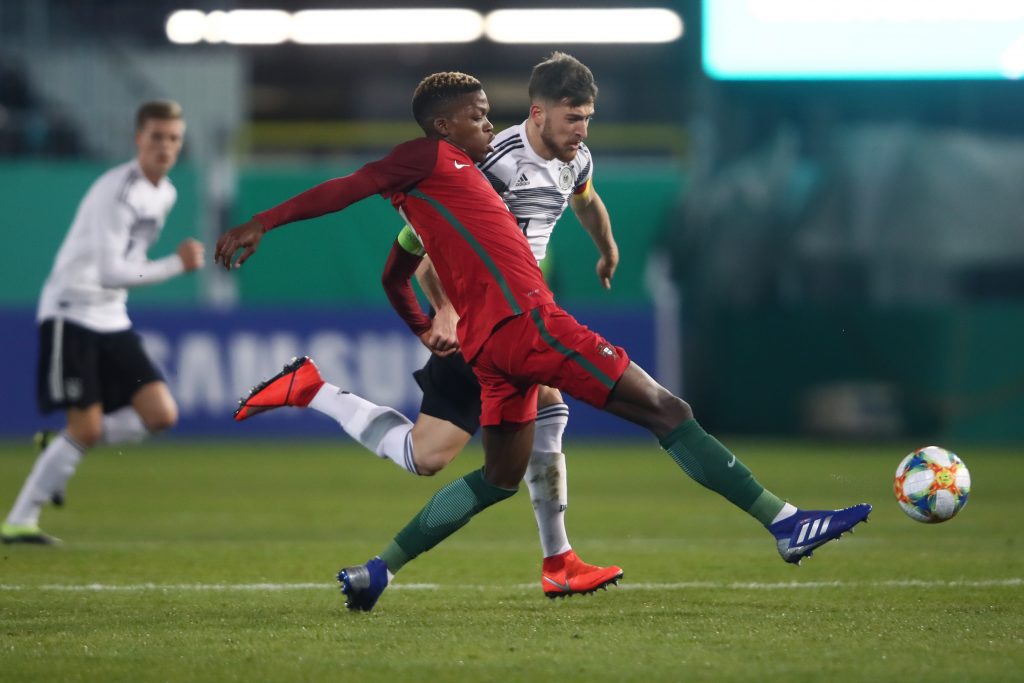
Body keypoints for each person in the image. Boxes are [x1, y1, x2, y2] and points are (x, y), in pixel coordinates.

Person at [213, 72, 871, 612]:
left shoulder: (462, 175)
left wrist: (431, 323)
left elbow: (403, 265)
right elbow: (345, 190)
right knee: (667, 410)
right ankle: (785, 522)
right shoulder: (430, 160)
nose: (486, 125)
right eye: (476, 116)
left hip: (490, 350)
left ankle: (379, 570)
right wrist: (263, 222)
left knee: (499, 476)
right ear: (443, 127)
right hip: (528, 324)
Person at [233, 53, 624, 599]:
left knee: (428, 455)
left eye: (587, 119)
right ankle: (558, 560)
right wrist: (445, 309)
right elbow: (416, 248)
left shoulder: (565, 161)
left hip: (511, 320)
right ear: (539, 113)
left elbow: (586, 200)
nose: (488, 123)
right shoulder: (469, 169)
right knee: (541, 411)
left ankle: (313, 389)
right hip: (487, 325)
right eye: (573, 118)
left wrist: (607, 249)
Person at [1, 100, 204, 545]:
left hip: (111, 316)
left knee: (161, 415)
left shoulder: (165, 192)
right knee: (87, 428)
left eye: (173, 139)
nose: (165, 146)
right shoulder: (117, 191)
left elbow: (126, 264)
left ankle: (60, 445)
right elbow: (111, 271)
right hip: (71, 310)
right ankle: (19, 521)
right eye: (156, 137)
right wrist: (176, 264)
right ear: (138, 139)